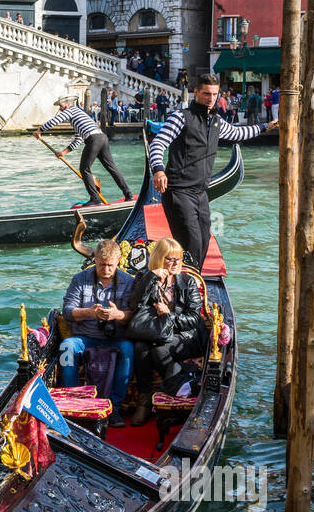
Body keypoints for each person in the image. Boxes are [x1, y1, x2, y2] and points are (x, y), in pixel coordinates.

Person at [149, 72, 276, 270]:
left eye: (214, 94)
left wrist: (265, 127)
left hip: (200, 194)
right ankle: (183, 286)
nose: (210, 99)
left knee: (204, 242)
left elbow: (237, 133)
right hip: (178, 191)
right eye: (206, 94)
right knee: (191, 243)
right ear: (196, 92)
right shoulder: (181, 117)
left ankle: (191, 284)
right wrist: (158, 170)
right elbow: (158, 144)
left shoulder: (216, 122)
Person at [129, 238, 208, 425]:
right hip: (155, 332)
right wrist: (150, 278)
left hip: (187, 336)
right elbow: (134, 306)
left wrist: (169, 315)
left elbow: (194, 319)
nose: (175, 263)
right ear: (158, 258)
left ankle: (181, 384)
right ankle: (145, 400)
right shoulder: (144, 278)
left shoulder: (188, 282)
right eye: (169, 259)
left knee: (157, 348)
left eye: (178, 259)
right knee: (141, 346)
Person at [59, 239, 135, 427]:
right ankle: (74, 404)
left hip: (115, 338)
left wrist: (117, 314)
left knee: (128, 349)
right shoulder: (80, 279)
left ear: (118, 260)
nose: (106, 270)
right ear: (95, 260)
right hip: (85, 337)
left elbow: (134, 316)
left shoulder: (128, 282)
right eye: (102, 265)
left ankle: (114, 407)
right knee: (66, 348)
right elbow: (67, 311)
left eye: (110, 265)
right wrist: (90, 313)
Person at [35, 94, 134, 205]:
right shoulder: (79, 115)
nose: (60, 108)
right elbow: (79, 139)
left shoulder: (71, 110)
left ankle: (95, 199)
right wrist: (63, 152)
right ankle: (129, 195)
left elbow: (55, 120)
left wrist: (39, 130)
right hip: (102, 138)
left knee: (84, 169)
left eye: (61, 105)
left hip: (94, 140)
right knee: (111, 168)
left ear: (68, 104)